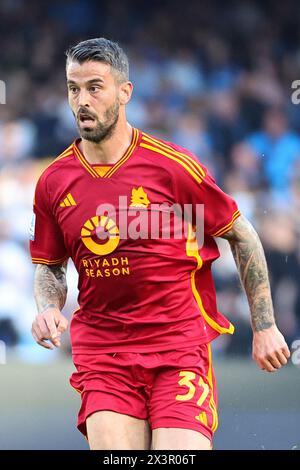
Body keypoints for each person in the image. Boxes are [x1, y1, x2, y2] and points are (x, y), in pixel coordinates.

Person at [30, 38, 290, 450]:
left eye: (95, 87)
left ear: (125, 92)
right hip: (105, 354)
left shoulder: (172, 167)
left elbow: (242, 236)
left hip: (177, 347)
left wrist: (265, 326)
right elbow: (49, 264)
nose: (82, 100)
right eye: (73, 88)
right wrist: (47, 306)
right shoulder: (54, 181)